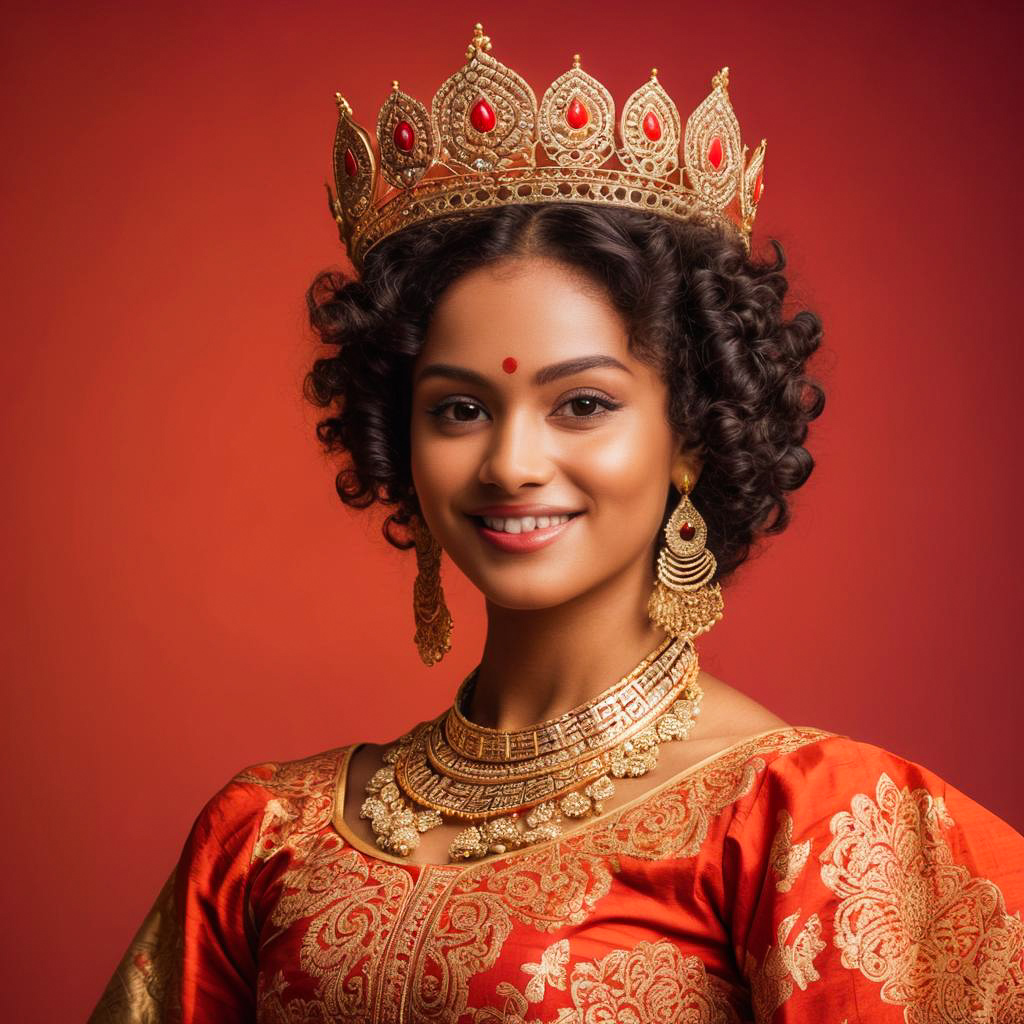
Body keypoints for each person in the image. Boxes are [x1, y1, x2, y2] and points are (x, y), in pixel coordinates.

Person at [88, 24, 1024, 1024]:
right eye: (458, 408)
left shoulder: (802, 821)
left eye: (582, 403)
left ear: (689, 437)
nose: (510, 463)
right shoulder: (267, 836)